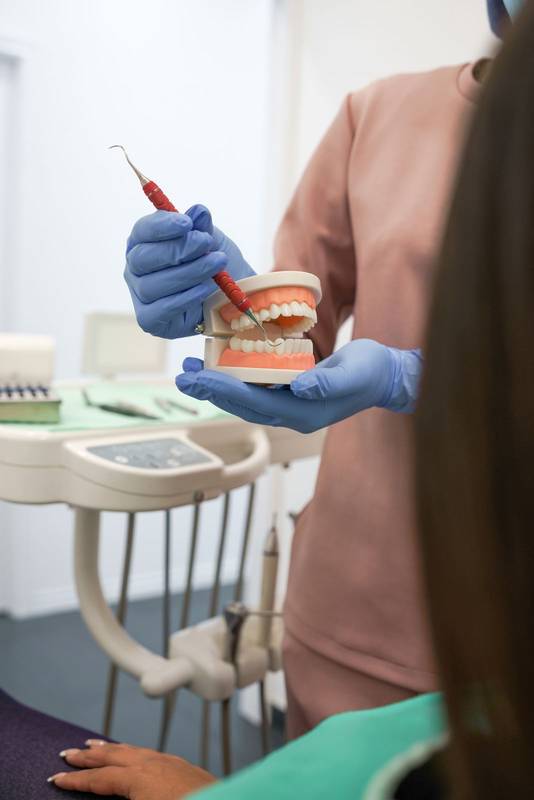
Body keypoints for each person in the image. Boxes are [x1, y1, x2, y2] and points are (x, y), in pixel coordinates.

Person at [43, 2, 534, 795]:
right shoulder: (378, 116)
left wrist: (412, 376)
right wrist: (224, 303)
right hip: (355, 600)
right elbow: (294, 339)